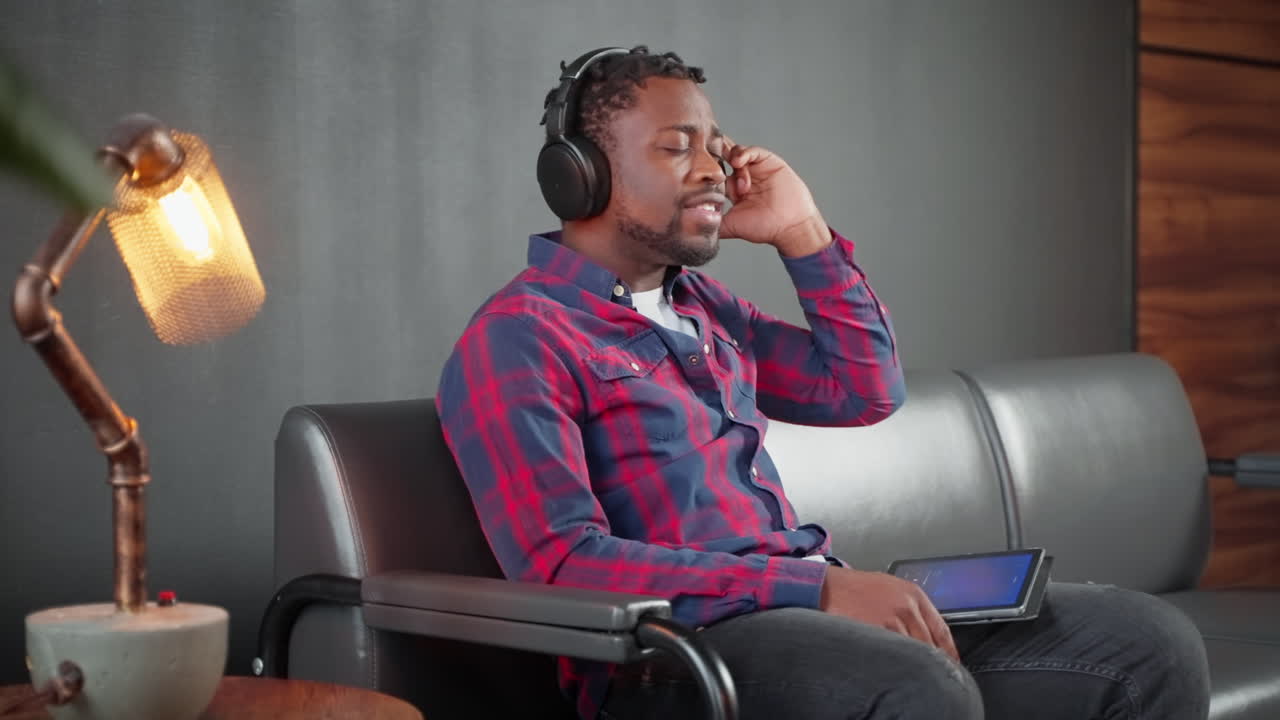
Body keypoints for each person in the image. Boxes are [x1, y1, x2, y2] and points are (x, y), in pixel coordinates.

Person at [436, 45, 1210, 720]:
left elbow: (863, 388)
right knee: (917, 687)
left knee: (1148, 644)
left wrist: (802, 235)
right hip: (668, 658)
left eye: (716, 146)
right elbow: (565, 566)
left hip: (799, 608)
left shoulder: (701, 307)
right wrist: (819, 593)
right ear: (582, 175)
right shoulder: (519, 337)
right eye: (679, 148)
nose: (713, 170)